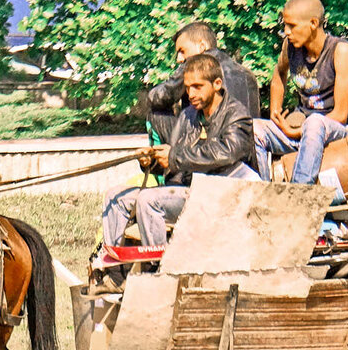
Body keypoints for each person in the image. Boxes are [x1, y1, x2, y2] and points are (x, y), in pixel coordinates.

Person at [103, 54, 257, 248]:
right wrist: (152, 162)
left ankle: (157, 270)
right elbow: (174, 162)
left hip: (222, 196)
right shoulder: (188, 115)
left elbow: (227, 152)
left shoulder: (237, 114)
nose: (190, 94)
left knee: (148, 200)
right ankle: (113, 273)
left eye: (198, 86)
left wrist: (174, 157)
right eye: (187, 87)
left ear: (217, 84)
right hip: (187, 190)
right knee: (115, 197)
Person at [253, 0, 348, 184]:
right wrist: (275, 113)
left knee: (315, 123)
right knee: (254, 128)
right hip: (303, 128)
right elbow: (279, 75)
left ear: (313, 23)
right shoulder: (290, 47)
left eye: (291, 26)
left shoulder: (340, 51)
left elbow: (341, 115)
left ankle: (299, 194)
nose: (286, 31)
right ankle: (262, 193)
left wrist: (297, 132)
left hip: (336, 131)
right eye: (284, 25)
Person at [148, 21, 260, 119]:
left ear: (202, 46)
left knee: (157, 113)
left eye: (182, 51)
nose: (179, 59)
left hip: (212, 136)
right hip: (251, 138)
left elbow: (158, 97)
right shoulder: (247, 73)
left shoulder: (194, 68)